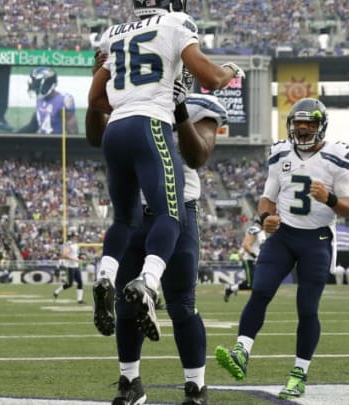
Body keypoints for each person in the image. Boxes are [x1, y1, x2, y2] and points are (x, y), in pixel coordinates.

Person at [87, 0, 244, 352]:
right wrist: (231, 68)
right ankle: (148, 282)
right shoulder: (175, 23)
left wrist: (130, 101)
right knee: (170, 215)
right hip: (149, 123)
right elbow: (212, 78)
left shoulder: (113, 33)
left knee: (122, 221)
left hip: (119, 127)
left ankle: (104, 277)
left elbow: (95, 98)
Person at [88, 50, 228, 404]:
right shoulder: (131, 98)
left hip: (179, 213)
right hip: (134, 213)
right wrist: (97, 90)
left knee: (181, 305)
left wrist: (178, 106)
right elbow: (94, 136)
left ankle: (195, 387)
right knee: (125, 304)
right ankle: (130, 384)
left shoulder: (198, 105)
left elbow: (198, 155)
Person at [214, 98, 349, 400]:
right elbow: (267, 197)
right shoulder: (280, 153)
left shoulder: (337, 157)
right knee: (261, 290)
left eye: (310, 124)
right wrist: (265, 218)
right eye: (298, 123)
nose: (303, 129)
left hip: (316, 239)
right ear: (290, 126)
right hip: (282, 235)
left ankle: (299, 374)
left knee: (307, 309)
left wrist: (330, 199)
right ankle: (242, 350)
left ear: (321, 127)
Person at [18, 66, 79, 135]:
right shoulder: (40, 99)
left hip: (55, 143)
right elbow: (34, 125)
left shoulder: (62, 101)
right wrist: (14, 136)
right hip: (40, 141)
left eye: (37, 84)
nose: (34, 86)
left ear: (48, 84)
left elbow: (73, 132)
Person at [224, 220, 266, 302]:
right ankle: (230, 289)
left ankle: (232, 288)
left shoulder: (261, 232)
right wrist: (255, 256)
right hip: (250, 260)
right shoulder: (255, 229)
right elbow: (246, 245)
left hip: (256, 261)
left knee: (257, 283)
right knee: (250, 284)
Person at [53, 231, 85, 304]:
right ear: (72, 236)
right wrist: (74, 259)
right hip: (70, 266)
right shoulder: (69, 244)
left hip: (76, 266)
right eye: (76, 236)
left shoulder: (75, 244)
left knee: (80, 282)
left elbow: (75, 255)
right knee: (70, 284)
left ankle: (79, 300)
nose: (77, 237)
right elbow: (64, 255)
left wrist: (81, 257)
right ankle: (56, 291)